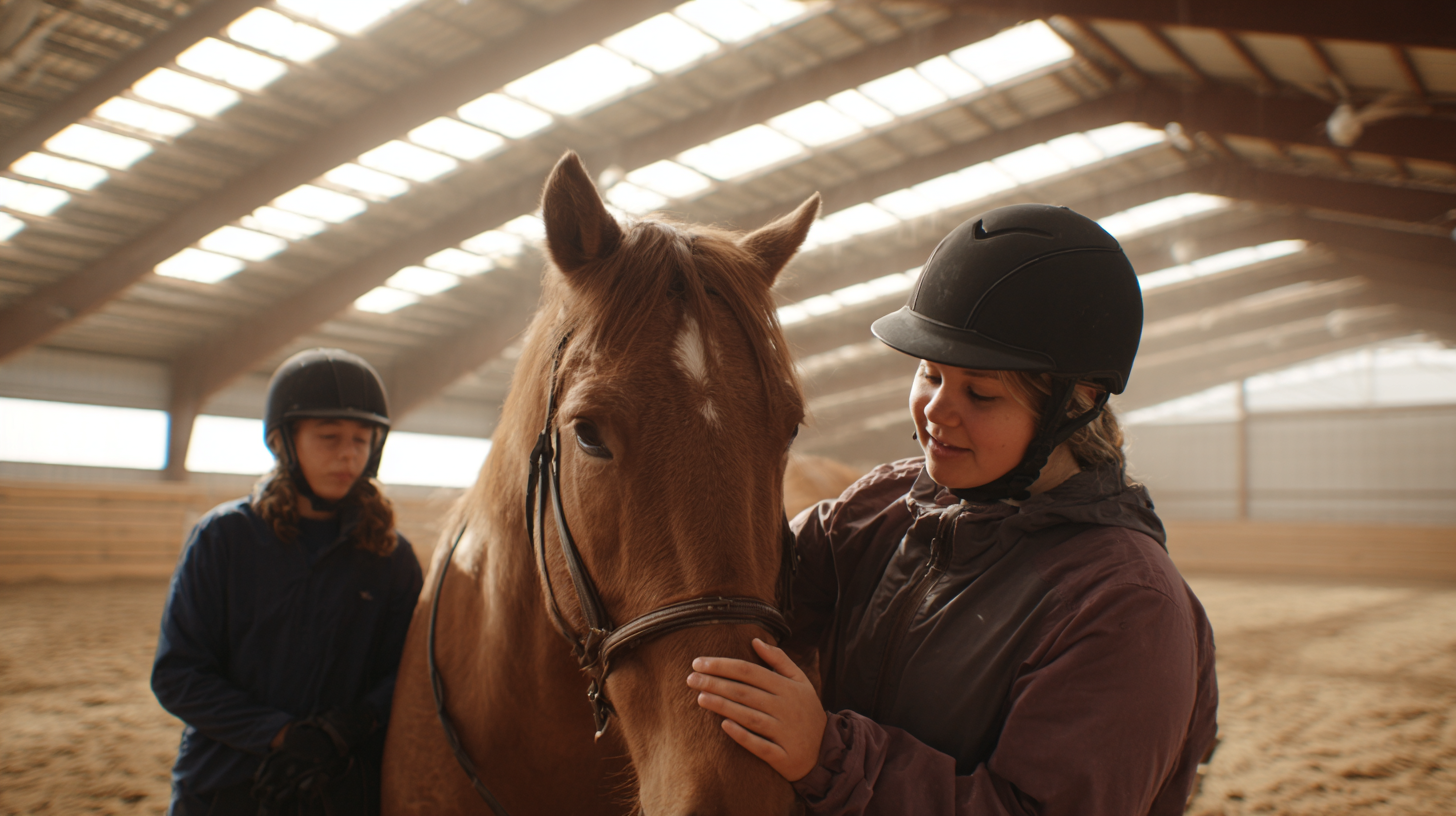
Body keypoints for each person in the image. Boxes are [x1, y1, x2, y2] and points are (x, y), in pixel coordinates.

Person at [686, 204, 1219, 814]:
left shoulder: (1127, 605)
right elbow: (734, 593)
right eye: (930, 373)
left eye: (980, 393)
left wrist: (827, 755)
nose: (937, 409)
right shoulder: (881, 508)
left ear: (1077, 404)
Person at [152, 349, 423, 816]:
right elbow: (179, 674)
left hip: (339, 784)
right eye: (329, 436)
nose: (347, 453)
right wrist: (279, 734)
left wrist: (347, 728)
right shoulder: (222, 539)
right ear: (282, 441)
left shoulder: (391, 557)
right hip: (225, 784)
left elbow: (404, 670)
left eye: (362, 439)